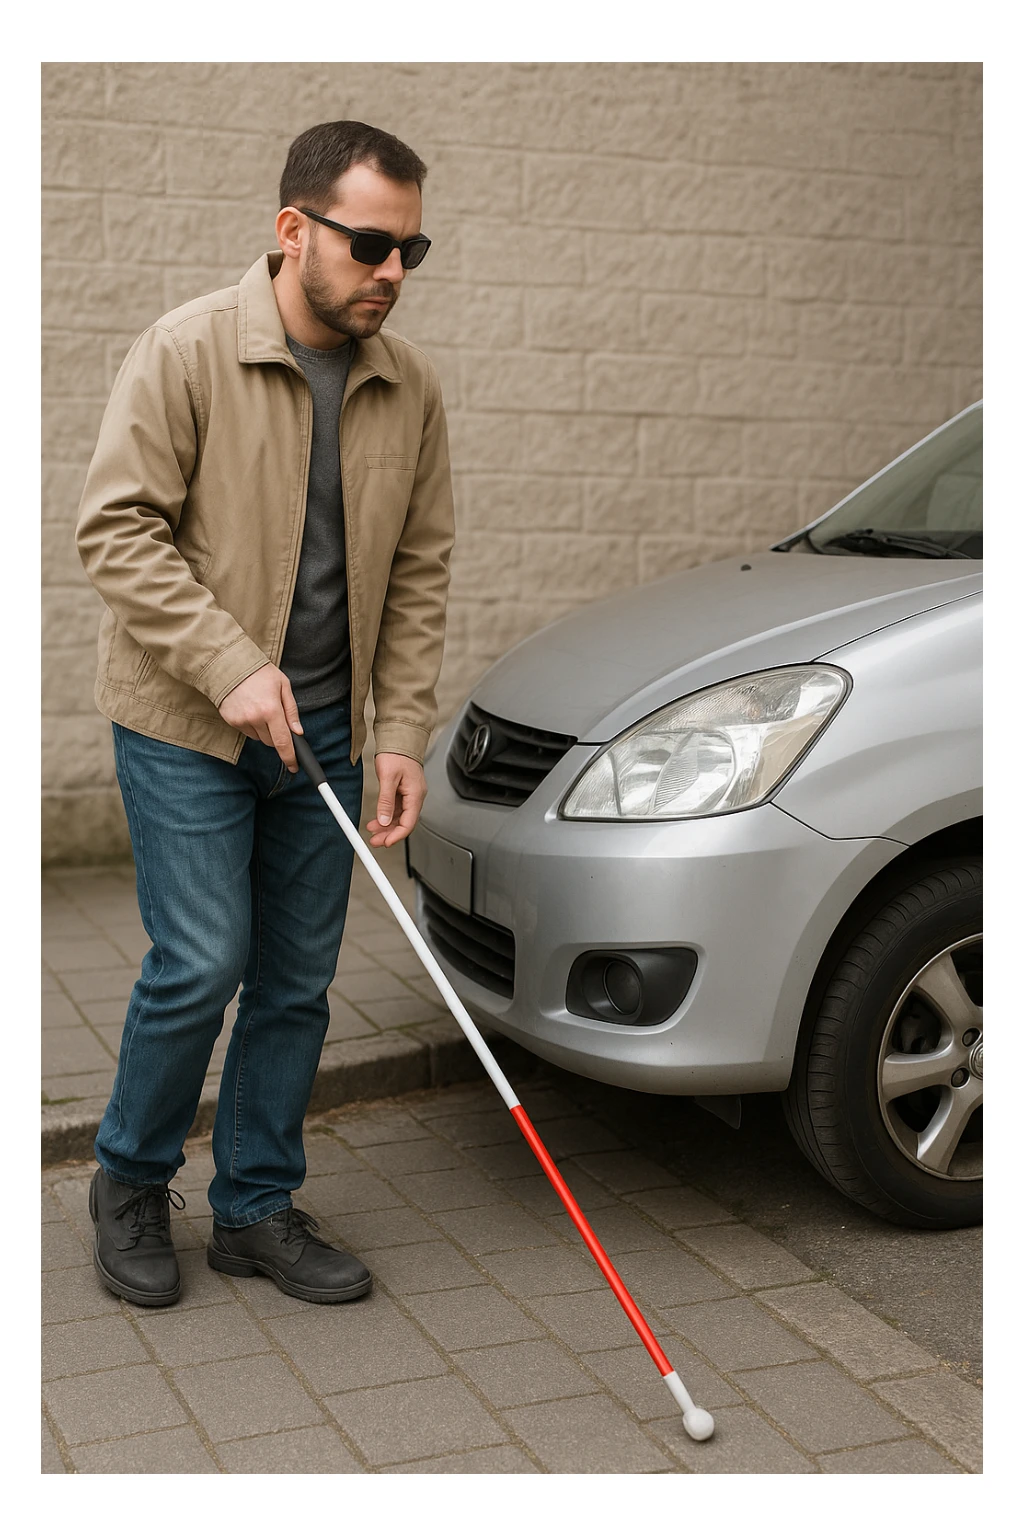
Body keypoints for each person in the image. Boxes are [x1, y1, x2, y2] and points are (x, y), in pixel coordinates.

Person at [74, 120, 455, 1308]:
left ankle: (252, 1207)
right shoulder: (185, 352)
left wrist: (399, 735)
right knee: (202, 963)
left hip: (329, 740)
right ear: (293, 231)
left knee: (297, 981)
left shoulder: (411, 388)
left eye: (412, 249)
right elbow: (115, 532)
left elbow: (420, 571)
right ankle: (131, 1179)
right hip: (188, 724)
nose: (392, 272)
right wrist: (230, 662)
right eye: (370, 245)